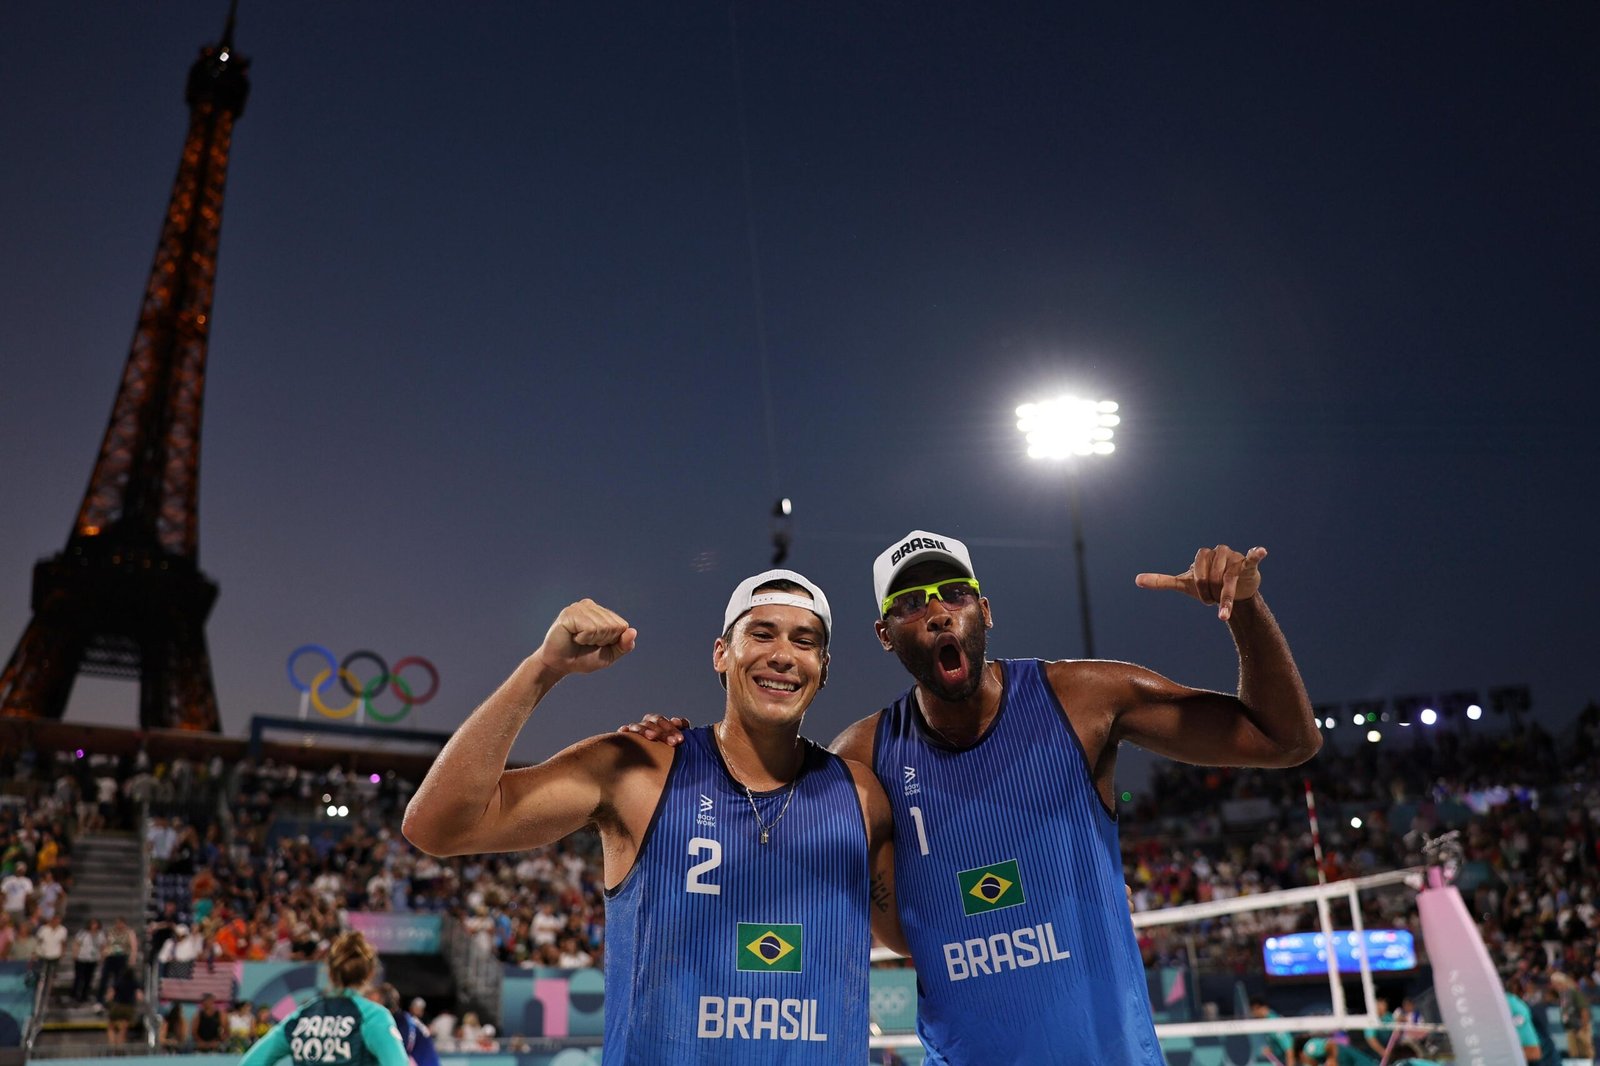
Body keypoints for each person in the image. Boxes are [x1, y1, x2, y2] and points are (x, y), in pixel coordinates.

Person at [627, 531, 1318, 1064]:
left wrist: (1246, 607)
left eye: (952, 594)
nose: (935, 614)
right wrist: (682, 754)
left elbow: (1286, 740)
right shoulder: (863, 758)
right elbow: (772, 821)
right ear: (885, 635)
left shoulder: (1082, 701)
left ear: (983, 609)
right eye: (909, 605)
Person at [403, 570, 899, 1064]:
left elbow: (916, 935)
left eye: (804, 641)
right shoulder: (639, 771)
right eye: (761, 633)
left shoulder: (862, 796)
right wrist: (544, 668)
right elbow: (439, 826)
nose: (783, 655)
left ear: (823, 666)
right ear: (721, 653)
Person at [239, 930, 407, 1066]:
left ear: (329, 971)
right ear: (370, 973)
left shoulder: (301, 1018)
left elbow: (250, 1062)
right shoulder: (373, 1017)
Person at [70, 917, 105, 1004]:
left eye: (95, 924)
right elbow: (76, 943)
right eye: (92, 924)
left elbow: (103, 946)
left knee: (88, 978)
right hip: (81, 958)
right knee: (79, 977)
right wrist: (75, 954)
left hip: (92, 959)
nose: (94, 926)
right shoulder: (83, 933)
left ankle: (84, 995)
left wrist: (102, 956)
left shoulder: (100, 934)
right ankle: (75, 994)